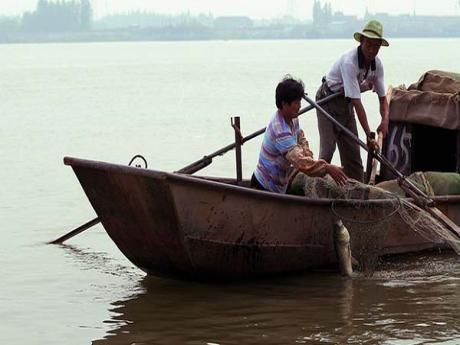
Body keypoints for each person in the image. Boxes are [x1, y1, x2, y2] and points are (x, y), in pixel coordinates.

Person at [316, 19, 390, 182]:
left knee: (354, 158)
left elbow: (383, 98)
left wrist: (385, 121)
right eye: (368, 45)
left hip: (346, 105)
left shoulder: (377, 66)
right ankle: (316, 187)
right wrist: (369, 135)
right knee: (327, 151)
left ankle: (357, 195)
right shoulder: (350, 62)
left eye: (376, 47)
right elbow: (357, 103)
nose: (372, 50)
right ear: (361, 42)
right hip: (327, 101)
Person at [251, 75, 347, 194]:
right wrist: (327, 167)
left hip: (280, 186)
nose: (300, 106)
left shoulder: (292, 118)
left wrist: (309, 157)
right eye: (296, 103)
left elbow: (300, 138)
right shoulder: (280, 130)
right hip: (263, 187)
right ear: (284, 104)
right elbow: (300, 162)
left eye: (299, 102)